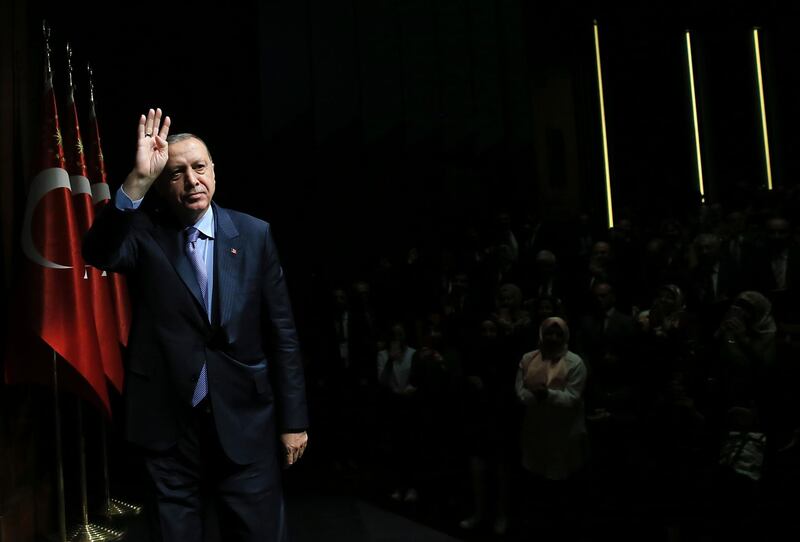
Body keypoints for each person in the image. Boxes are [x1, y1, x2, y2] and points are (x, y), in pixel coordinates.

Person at [82, 108, 309, 542]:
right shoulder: (144, 233)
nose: (192, 181)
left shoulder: (255, 234)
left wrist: (294, 420)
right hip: (167, 427)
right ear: (163, 185)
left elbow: (283, 334)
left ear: (215, 172)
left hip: (245, 423)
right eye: (176, 173)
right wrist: (137, 183)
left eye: (199, 168)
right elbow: (98, 252)